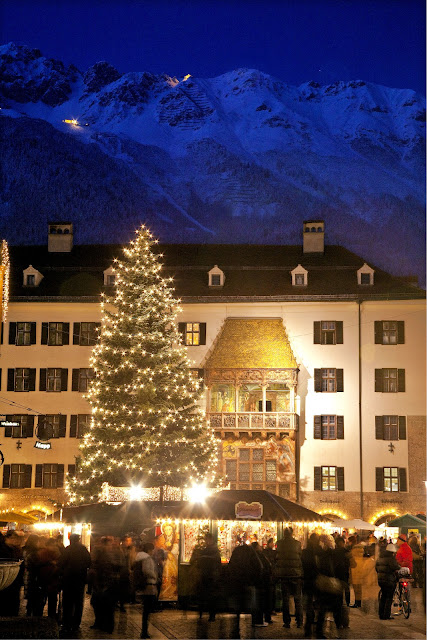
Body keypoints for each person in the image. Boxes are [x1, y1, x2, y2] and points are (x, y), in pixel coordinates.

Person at [227, 540, 265, 631]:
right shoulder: (251, 553)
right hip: (249, 583)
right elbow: (259, 567)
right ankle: (254, 622)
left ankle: (236, 625)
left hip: (237, 583)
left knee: (238, 605)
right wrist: (255, 579)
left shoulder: (236, 553)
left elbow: (230, 567)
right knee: (252, 603)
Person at [90, 535, 124, 633]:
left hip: (110, 583)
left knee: (108, 606)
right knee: (99, 604)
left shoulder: (114, 552)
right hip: (101, 582)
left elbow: (119, 565)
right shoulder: (101, 552)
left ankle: (108, 626)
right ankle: (101, 623)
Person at [59, 533, 91, 634]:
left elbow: (61, 563)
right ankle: (76, 623)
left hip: (68, 579)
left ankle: (66, 623)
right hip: (80, 579)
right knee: (78, 602)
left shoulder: (68, 549)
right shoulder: (83, 549)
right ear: (78, 539)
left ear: (70, 539)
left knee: (67, 601)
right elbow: (89, 562)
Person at [315, 534, 343, 639]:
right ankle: (337, 630)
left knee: (322, 610)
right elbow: (338, 569)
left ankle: (319, 632)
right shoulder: (334, 555)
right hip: (332, 584)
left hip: (323, 584)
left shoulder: (320, 555)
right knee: (336, 609)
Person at [276, 527, 303, 629]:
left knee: (285, 600)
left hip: (284, 575)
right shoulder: (297, 544)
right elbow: (300, 556)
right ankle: (299, 622)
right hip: (296, 575)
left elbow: (277, 558)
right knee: (297, 599)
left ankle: (286, 622)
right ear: (292, 533)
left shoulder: (279, 543)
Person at [133, 542, 158, 640]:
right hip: (149, 585)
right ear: (149, 550)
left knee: (146, 610)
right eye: (152, 549)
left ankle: (144, 631)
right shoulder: (147, 558)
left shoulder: (139, 557)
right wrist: (154, 576)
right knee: (147, 611)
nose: (153, 551)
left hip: (145, 585)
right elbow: (147, 570)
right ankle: (144, 632)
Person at [195, 533, 222, 621]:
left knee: (209, 595)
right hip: (209, 575)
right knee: (208, 595)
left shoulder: (212, 550)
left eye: (207, 540)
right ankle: (208, 614)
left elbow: (214, 562)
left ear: (210, 540)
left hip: (210, 575)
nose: (206, 541)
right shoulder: (211, 549)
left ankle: (209, 614)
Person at [0, 531, 24, 616]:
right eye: (13, 538)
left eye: (16, 538)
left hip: (14, 580)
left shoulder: (15, 549)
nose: (16, 540)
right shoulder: (4, 549)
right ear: (7, 538)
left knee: (13, 602)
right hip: (6, 579)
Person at [301, 532, 320, 636]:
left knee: (309, 604)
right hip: (313, 580)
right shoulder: (316, 551)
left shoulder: (306, 551)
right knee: (312, 604)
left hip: (308, 580)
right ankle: (311, 627)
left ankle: (309, 627)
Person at [375, 542, 400, 620]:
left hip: (381, 580)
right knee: (389, 598)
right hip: (389, 580)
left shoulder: (380, 558)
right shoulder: (391, 559)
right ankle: (386, 615)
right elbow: (395, 567)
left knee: (383, 597)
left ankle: (381, 614)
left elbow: (376, 568)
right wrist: (399, 567)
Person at [333, 535, 350, 628]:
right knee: (344, 602)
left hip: (336, 578)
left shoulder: (333, 553)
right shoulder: (346, 552)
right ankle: (345, 622)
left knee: (338, 600)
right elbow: (353, 564)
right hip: (344, 577)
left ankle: (338, 622)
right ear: (342, 543)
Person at [119, 534, 137, 609]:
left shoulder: (133, 549)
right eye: (127, 541)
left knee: (129, 586)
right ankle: (121, 602)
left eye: (130, 541)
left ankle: (129, 599)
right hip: (121, 572)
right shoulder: (119, 549)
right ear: (123, 542)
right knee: (121, 587)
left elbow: (134, 559)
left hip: (129, 571)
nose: (129, 542)